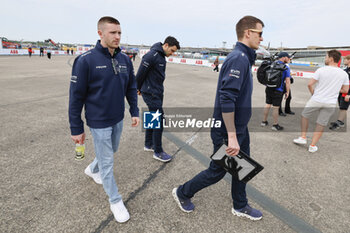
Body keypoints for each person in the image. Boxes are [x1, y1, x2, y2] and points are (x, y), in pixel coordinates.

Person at [172, 15, 264, 220]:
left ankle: (240, 205)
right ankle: (182, 192)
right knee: (217, 171)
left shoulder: (244, 57)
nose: (262, 38)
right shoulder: (238, 58)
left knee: (244, 167)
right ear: (248, 33)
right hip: (227, 130)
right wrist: (231, 135)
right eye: (260, 33)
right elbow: (227, 98)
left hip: (240, 127)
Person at [68, 16, 140, 223]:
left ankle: (91, 169)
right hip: (98, 122)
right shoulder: (85, 61)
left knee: (111, 150)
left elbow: (131, 88)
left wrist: (134, 112)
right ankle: (115, 200)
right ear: (100, 33)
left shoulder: (125, 59)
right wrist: (76, 128)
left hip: (117, 118)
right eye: (113, 33)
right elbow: (76, 97)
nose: (117, 37)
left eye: (119, 33)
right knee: (108, 161)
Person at [293, 50, 349, 153]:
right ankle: (312, 145)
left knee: (305, 115)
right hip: (330, 103)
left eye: (326, 57)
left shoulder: (321, 70)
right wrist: (335, 89)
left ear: (331, 59)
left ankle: (303, 137)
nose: (325, 58)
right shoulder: (344, 74)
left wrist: (313, 93)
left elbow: (310, 84)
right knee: (321, 124)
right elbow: (345, 90)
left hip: (316, 99)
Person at [136, 36, 180, 162]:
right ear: (166, 45)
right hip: (151, 93)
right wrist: (137, 88)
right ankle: (158, 151)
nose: (172, 54)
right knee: (159, 120)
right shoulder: (152, 55)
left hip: (156, 92)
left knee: (152, 116)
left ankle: (148, 144)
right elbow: (140, 74)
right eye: (172, 50)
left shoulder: (161, 56)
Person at [261, 52, 291, 131]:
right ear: (284, 57)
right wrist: (287, 92)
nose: (289, 59)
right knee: (275, 107)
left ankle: (263, 121)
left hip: (269, 88)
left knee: (267, 104)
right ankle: (275, 125)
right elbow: (287, 81)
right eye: (288, 57)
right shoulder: (285, 67)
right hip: (278, 90)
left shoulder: (271, 64)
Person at [329, 55, 350, 130]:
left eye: (345, 59)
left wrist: (349, 94)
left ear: (349, 60)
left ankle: (339, 122)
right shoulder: (345, 70)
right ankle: (340, 121)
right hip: (342, 91)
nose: (344, 61)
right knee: (341, 106)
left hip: (347, 93)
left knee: (343, 107)